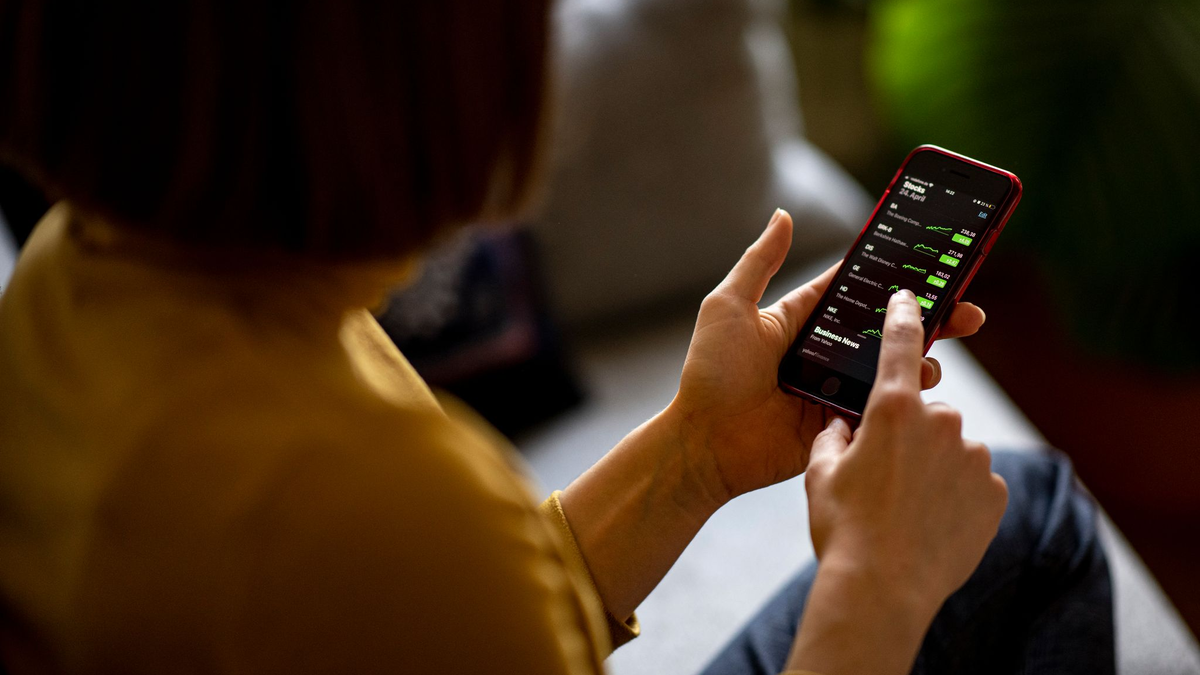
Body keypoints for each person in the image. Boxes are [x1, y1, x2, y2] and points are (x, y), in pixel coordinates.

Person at [0, 2, 1112, 674]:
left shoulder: (77, 273)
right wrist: (876, 588)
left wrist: (699, 452)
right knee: (1042, 522)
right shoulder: (359, 503)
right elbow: (426, 578)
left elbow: (438, 629)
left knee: (1026, 511)